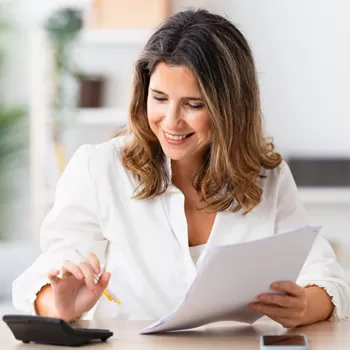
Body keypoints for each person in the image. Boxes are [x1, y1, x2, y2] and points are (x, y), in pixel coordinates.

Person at [13, 8, 350, 328]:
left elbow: (327, 277)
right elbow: (43, 276)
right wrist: (62, 306)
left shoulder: (267, 176)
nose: (171, 121)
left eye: (193, 104)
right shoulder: (98, 168)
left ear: (230, 107)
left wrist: (304, 305)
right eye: (159, 98)